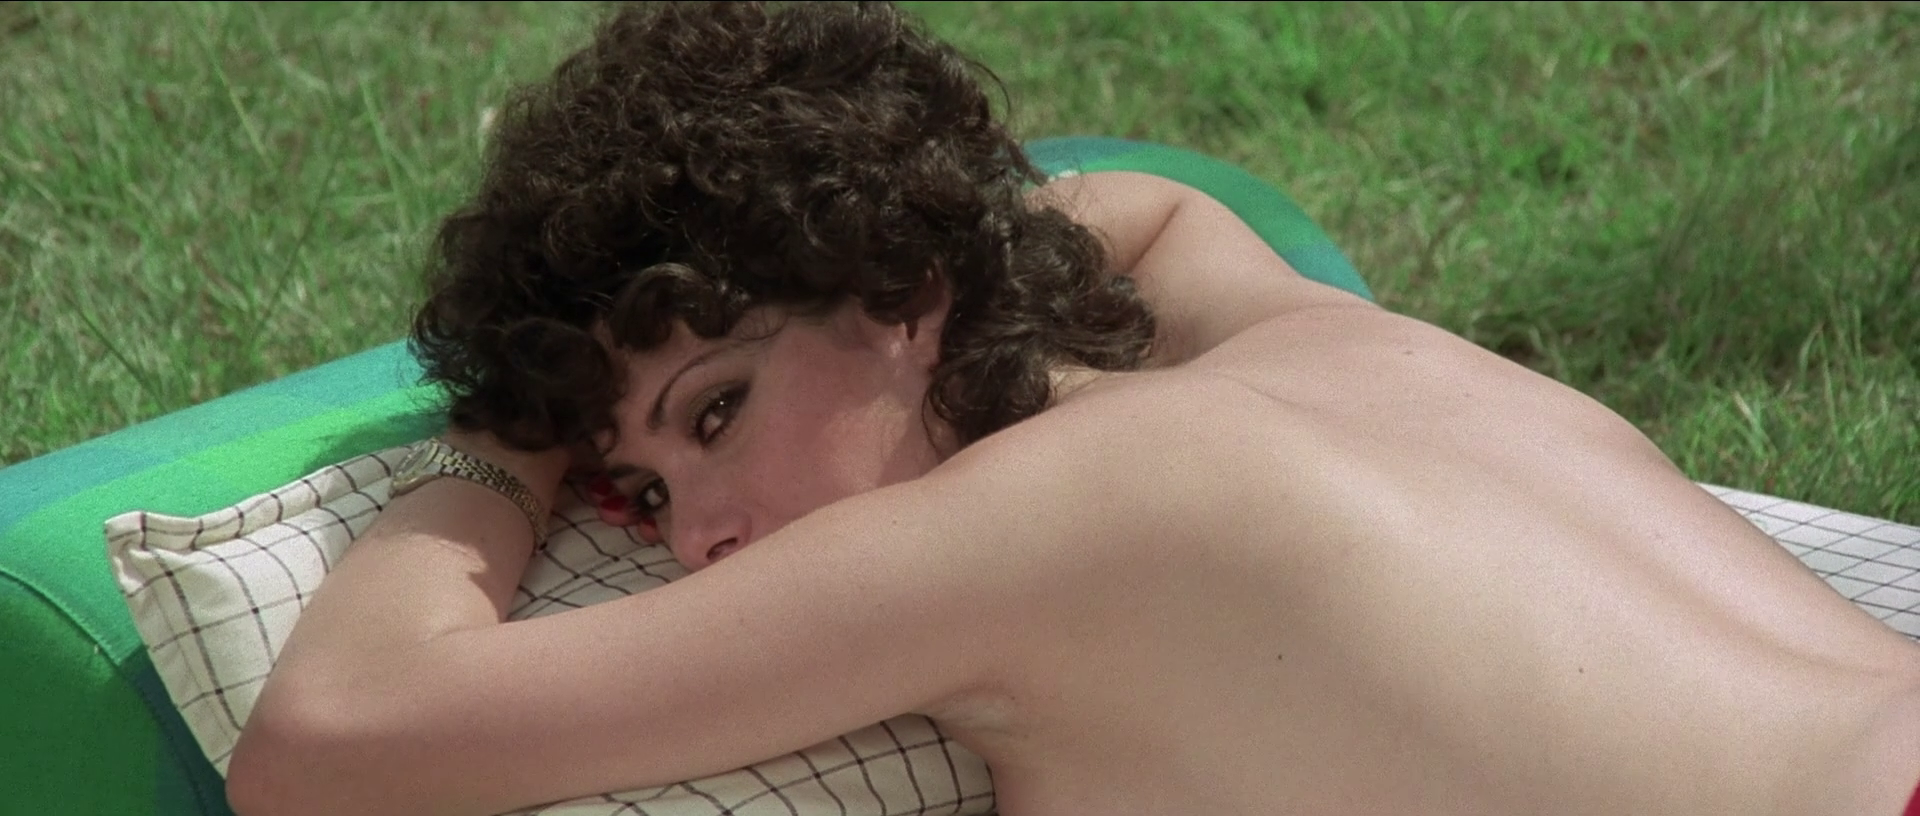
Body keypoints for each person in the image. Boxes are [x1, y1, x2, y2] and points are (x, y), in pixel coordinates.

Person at [224, 3, 1920, 815]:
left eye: (717, 412)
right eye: (644, 493)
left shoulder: (1014, 535)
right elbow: (1148, 209)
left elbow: (329, 744)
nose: (698, 540)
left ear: (899, 294)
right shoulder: (1317, 351)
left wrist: (506, 442)